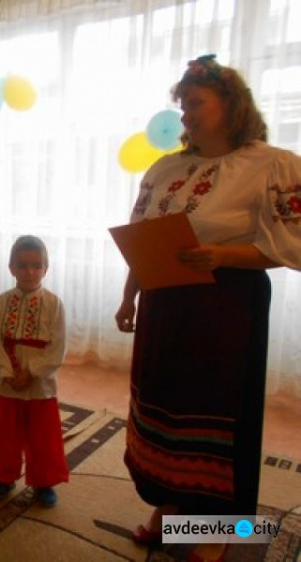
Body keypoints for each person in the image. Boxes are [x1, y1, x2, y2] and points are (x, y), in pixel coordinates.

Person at [115, 55, 301, 561]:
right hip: (165, 305)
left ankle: (216, 531)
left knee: (213, 416)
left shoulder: (271, 165)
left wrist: (223, 254)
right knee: (162, 409)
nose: (187, 117)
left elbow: (293, 246)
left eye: (196, 104)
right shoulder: (165, 169)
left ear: (231, 105)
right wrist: (130, 294)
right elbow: (143, 239)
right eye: (183, 107)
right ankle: (170, 510)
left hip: (225, 310)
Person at [0, 235, 68, 508]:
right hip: (8, 383)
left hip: (40, 385)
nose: (29, 271)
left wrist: (32, 372)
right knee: (4, 435)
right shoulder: (1, 302)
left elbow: (57, 348)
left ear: (46, 267)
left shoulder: (54, 305)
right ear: (11, 268)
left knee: (43, 438)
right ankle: (3, 477)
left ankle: (43, 483)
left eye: (36, 265)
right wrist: (6, 374)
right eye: (22, 265)